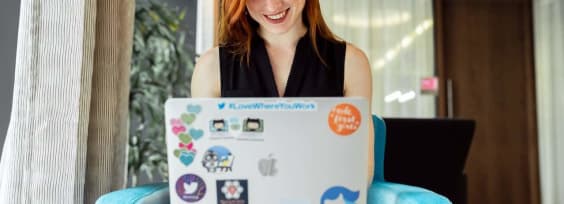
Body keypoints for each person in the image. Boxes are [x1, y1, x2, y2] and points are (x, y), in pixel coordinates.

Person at [191, 0, 375, 184]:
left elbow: (362, 167)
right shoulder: (211, 66)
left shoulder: (351, 63)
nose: (273, 5)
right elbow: (205, 166)